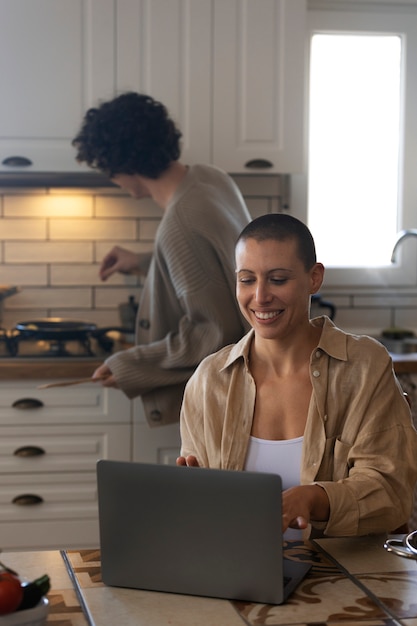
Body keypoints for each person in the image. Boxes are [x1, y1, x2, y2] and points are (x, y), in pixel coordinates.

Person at [177, 213, 417, 538]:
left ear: (314, 278)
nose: (260, 297)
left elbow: (391, 493)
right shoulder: (209, 380)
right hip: (238, 573)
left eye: (278, 279)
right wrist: (189, 495)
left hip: (341, 578)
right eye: (247, 279)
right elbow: (205, 513)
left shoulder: (364, 368)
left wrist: (315, 499)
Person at [72, 92, 251, 426]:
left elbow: (214, 332)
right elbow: (219, 266)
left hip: (223, 408)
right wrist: (144, 261)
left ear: (123, 165)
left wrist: (131, 365)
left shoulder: (179, 223)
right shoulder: (209, 178)